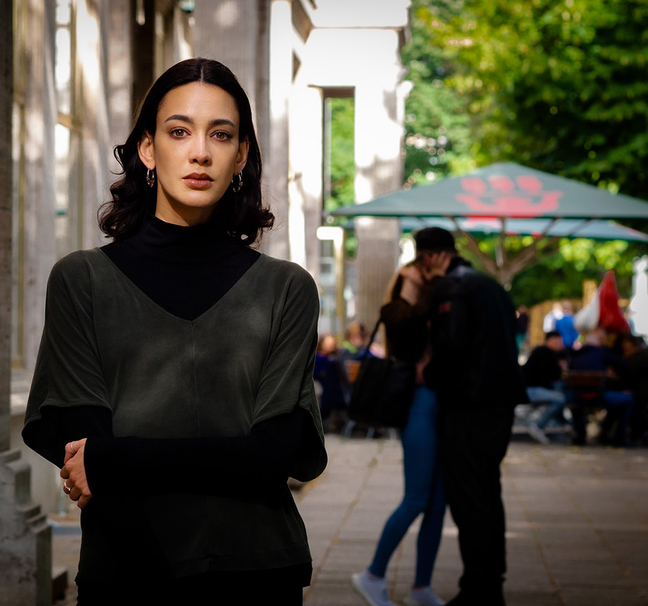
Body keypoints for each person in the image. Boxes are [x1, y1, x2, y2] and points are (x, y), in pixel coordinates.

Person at [22, 58, 327, 605]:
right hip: (126, 571)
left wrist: (116, 458)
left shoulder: (288, 289)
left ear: (242, 157)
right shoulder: (82, 281)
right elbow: (82, 446)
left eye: (222, 134)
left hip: (257, 575)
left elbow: (273, 454)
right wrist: (221, 456)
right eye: (179, 131)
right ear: (147, 149)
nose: (200, 152)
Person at [417, 227, 527, 606]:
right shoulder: (492, 286)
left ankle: (478, 589)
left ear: (431, 257)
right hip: (501, 403)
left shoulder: (452, 288)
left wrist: (426, 373)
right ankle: (489, 584)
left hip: (468, 406)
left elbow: (451, 348)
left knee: (469, 500)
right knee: (487, 493)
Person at [352, 254, 451, 606]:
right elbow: (409, 326)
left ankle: (422, 587)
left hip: (443, 403)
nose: (425, 275)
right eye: (417, 272)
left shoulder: (438, 303)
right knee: (416, 498)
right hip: (419, 403)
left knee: (439, 504)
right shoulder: (397, 312)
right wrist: (414, 280)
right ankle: (373, 575)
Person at [567, 327, 634, 446]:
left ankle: (580, 435)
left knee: (577, 403)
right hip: (598, 396)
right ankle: (618, 437)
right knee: (628, 400)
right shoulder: (601, 352)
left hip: (576, 397)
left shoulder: (575, 355)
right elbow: (626, 368)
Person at [522, 331, 568, 444]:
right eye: (557, 341)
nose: (560, 344)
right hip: (531, 390)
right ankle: (538, 425)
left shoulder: (551, 353)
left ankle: (560, 422)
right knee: (561, 398)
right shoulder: (544, 353)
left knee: (561, 391)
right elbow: (556, 373)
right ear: (550, 340)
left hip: (535, 389)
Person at [314, 334, 347, 433]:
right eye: (328, 343)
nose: (331, 346)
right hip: (323, 390)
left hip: (337, 390)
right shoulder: (318, 358)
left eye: (332, 343)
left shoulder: (336, 358)